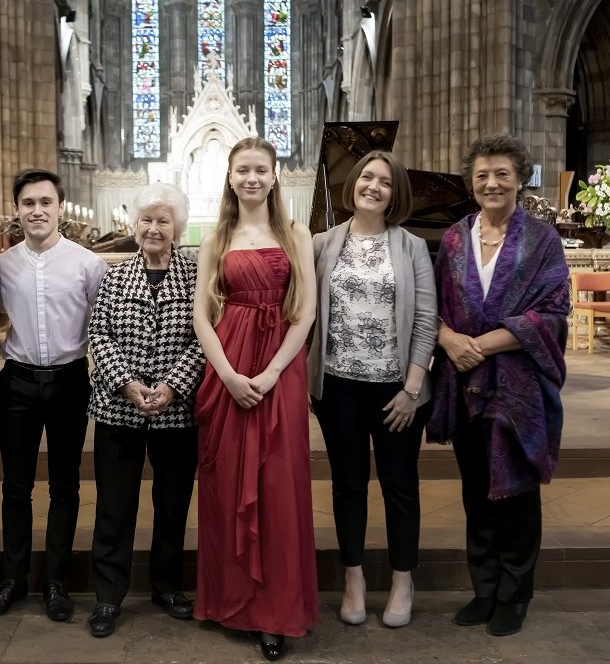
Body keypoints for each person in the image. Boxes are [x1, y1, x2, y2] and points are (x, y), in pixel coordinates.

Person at [429, 133, 570, 637]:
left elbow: (553, 313)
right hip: (463, 384)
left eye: (502, 174)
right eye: (483, 175)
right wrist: (447, 339)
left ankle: (514, 594)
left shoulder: (541, 239)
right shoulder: (452, 237)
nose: (492, 183)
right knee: (475, 491)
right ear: (471, 183)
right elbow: (435, 307)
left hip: (517, 387)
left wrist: (482, 345)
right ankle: (484, 588)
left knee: (515, 492)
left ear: (519, 180)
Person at [193, 137, 318, 661]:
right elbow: (201, 315)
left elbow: (306, 312)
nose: (251, 178)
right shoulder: (214, 238)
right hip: (228, 370)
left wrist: (268, 375)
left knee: (277, 485)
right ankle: (232, 601)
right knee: (226, 486)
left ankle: (274, 612)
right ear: (229, 176)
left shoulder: (296, 235)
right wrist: (228, 375)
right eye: (242, 169)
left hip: (278, 372)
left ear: (274, 176)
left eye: (260, 170)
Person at [307, 151, 436, 629]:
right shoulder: (323, 243)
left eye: (384, 181)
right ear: (354, 184)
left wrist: (412, 387)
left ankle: (403, 579)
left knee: (400, 486)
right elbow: (305, 313)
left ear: (394, 194)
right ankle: (354, 577)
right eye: (366, 176)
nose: (373, 186)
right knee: (348, 485)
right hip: (337, 387)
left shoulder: (412, 247)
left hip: (396, 392)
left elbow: (426, 319)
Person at [0, 169, 108, 623]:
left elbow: (102, 324)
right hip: (17, 382)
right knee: (15, 486)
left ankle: (56, 580)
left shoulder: (87, 263)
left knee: (65, 485)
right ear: (17, 210)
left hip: (70, 381)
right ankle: (13, 579)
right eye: (28, 203)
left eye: (46, 202)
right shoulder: (2, 263)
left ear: (59, 208)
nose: (37, 210)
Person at [86, 183, 205, 637]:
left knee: (172, 504)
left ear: (177, 228)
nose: (154, 228)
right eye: (146, 220)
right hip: (120, 409)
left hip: (176, 412)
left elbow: (204, 338)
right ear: (135, 225)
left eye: (163, 220)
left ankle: (167, 585)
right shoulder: (115, 277)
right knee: (115, 507)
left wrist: (174, 386)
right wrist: (127, 382)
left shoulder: (195, 276)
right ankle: (108, 597)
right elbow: (98, 334)